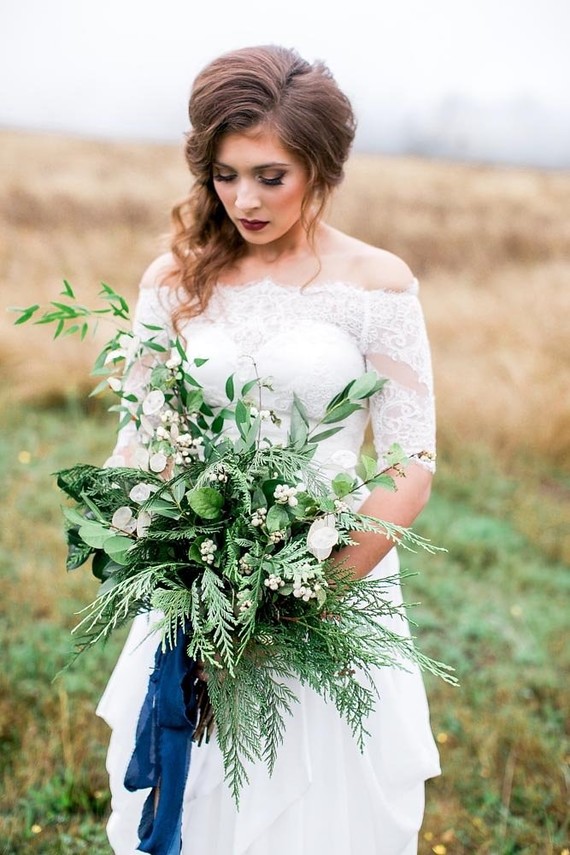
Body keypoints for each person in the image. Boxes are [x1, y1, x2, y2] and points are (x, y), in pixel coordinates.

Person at [97, 44, 440, 855]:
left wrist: (295, 603)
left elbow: (408, 464)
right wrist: (160, 546)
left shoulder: (378, 286)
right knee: (200, 794)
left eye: (269, 175)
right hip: (196, 589)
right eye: (224, 174)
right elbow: (142, 438)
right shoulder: (174, 281)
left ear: (321, 166)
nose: (242, 198)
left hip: (330, 584)